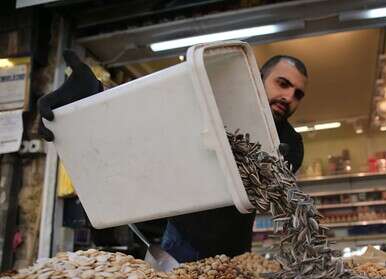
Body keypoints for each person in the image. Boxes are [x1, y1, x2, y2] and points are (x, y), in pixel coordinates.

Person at [38, 51, 308, 263]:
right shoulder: (212, 103)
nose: (288, 97)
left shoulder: (291, 143)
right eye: (282, 83)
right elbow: (153, 128)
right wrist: (90, 104)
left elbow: (259, 189)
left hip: (235, 247)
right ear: (257, 76)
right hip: (179, 239)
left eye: (297, 94)